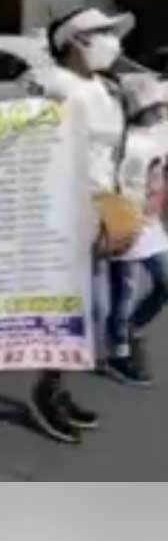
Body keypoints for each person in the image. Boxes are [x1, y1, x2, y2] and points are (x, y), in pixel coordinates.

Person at [26, 7, 142, 444]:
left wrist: (117, 208)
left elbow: (110, 155)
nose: (114, 42)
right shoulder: (52, 85)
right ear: (76, 42)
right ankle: (47, 388)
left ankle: (56, 384)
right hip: (62, 211)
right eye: (104, 33)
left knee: (90, 312)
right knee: (64, 309)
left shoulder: (107, 90)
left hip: (102, 210)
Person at [106, 76, 168, 386]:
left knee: (164, 282)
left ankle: (133, 326)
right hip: (125, 225)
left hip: (152, 226)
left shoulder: (160, 133)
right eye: (154, 107)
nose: (160, 112)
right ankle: (119, 353)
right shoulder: (122, 141)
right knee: (124, 294)